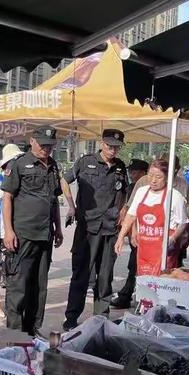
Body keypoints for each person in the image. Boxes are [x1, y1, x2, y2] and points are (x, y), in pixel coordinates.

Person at [62, 129, 128, 330]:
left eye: (116, 147)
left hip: (110, 229)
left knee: (105, 275)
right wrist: (71, 206)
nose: (113, 150)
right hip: (87, 228)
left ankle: (101, 317)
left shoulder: (120, 167)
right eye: (109, 146)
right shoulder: (85, 162)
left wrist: (123, 211)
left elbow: (124, 192)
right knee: (81, 274)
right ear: (101, 143)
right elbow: (64, 180)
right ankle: (72, 317)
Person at [2, 126, 63, 336]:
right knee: (19, 284)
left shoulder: (53, 166)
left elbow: (54, 199)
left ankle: (32, 328)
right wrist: (8, 230)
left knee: (39, 285)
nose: (46, 149)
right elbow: (7, 197)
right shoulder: (19, 164)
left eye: (50, 146)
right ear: (32, 141)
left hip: (45, 234)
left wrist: (58, 228)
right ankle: (15, 333)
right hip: (23, 234)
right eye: (43, 145)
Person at [115, 160, 188, 275]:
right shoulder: (141, 192)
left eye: (158, 177)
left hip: (165, 250)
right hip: (144, 248)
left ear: (167, 177)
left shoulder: (175, 196)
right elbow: (131, 216)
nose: (153, 180)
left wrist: (173, 238)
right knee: (144, 283)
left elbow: (183, 223)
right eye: (151, 175)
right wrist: (120, 237)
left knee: (162, 283)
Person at [110, 159, 149, 309]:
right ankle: (127, 295)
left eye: (135, 171)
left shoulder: (146, 187)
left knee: (137, 266)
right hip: (135, 232)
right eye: (131, 171)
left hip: (144, 232)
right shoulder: (133, 186)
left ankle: (128, 296)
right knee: (133, 265)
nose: (132, 174)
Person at [0, 143, 23, 317]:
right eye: (15, 160)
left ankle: (14, 303)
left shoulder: (20, 178)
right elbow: (6, 197)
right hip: (2, 232)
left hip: (19, 231)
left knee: (15, 269)